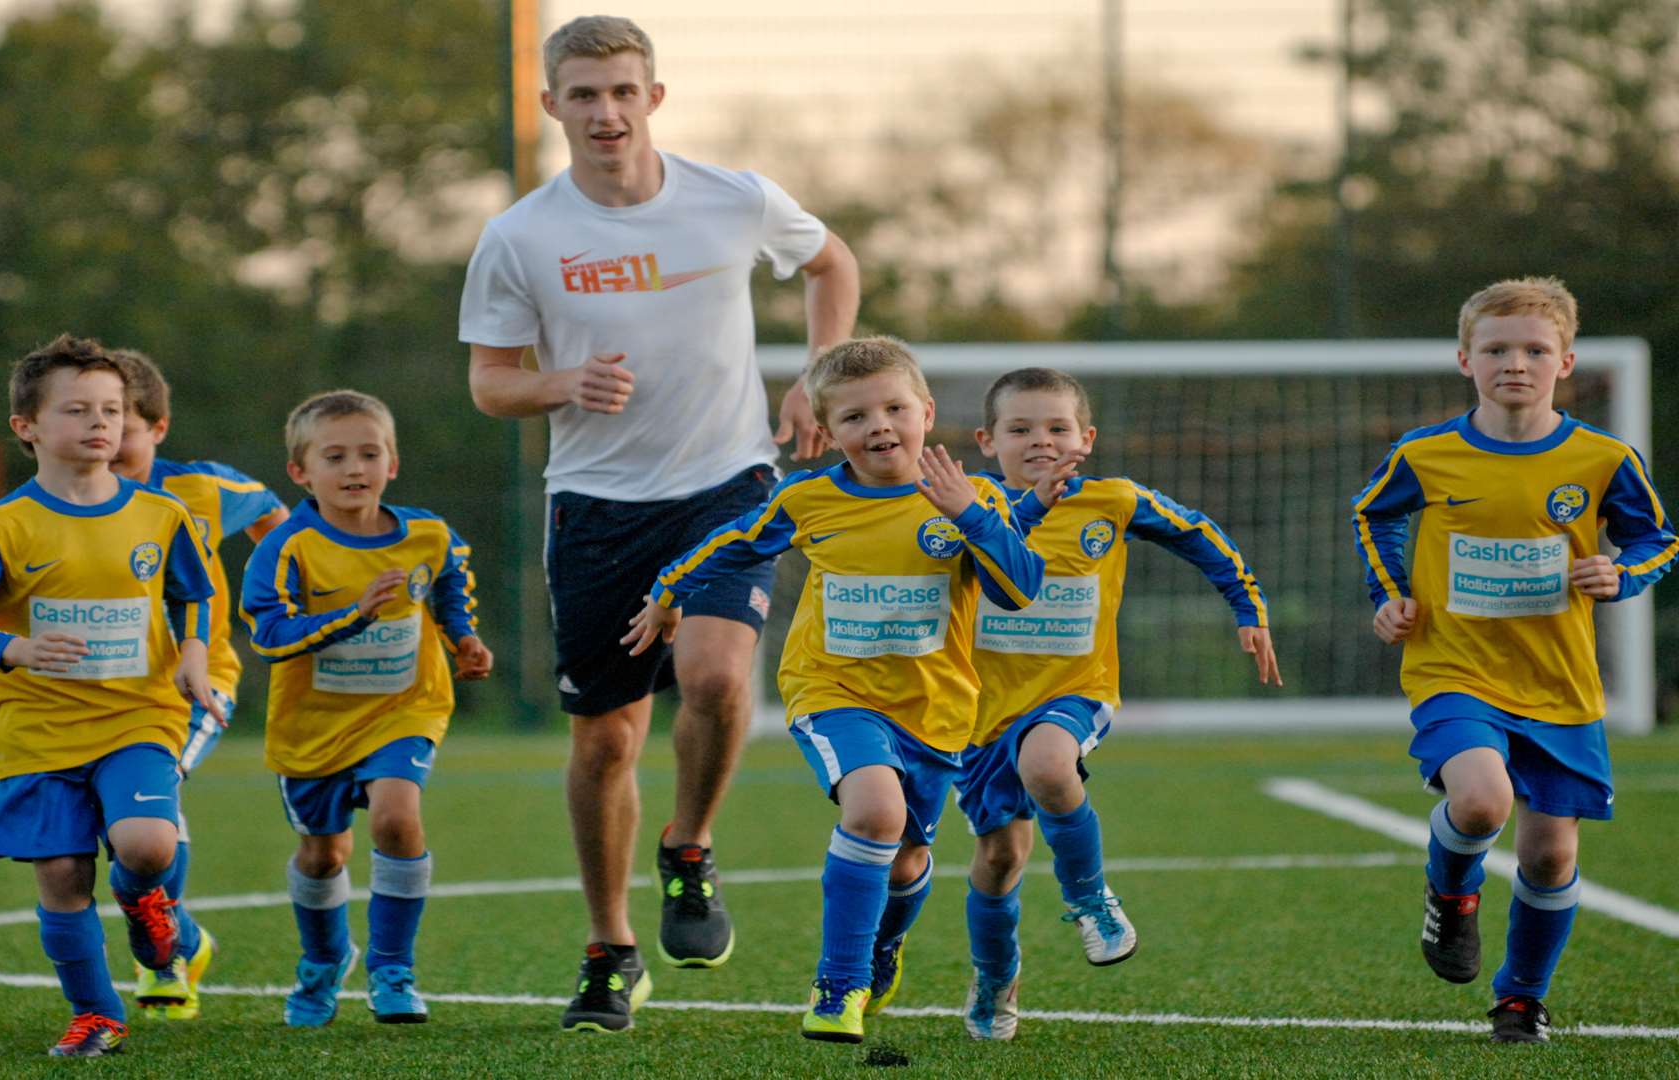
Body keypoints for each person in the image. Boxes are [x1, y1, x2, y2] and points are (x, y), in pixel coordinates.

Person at [458, 13, 860, 1031]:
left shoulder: (731, 200)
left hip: (729, 482)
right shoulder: (520, 238)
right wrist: (562, 382)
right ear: (551, 104)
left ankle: (689, 849)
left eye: (623, 90)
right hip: (595, 510)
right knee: (605, 745)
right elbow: (490, 385)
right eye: (584, 94)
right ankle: (610, 948)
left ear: (654, 98)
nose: (606, 112)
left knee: (721, 681)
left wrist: (817, 377)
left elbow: (832, 265)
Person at [624, 337, 1046, 1044]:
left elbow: (1019, 593)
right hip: (833, 690)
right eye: (854, 417)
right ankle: (838, 984)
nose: (877, 425)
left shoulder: (977, 498)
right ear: (828, 430)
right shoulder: (807, 500)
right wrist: (669, 593)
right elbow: (733, 542)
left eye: (893, 408)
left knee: (909, 858)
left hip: (935, 710)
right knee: (874, 812)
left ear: (925, 412)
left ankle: (883, 950)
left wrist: (968, 515)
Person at [1351, 277, 1677, 1043]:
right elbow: (1373, 516)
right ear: (1466, 358)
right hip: (1452, 670)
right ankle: (1452, 894)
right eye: (1497, 349)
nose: (1516, 363)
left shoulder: (1603, 458)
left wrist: (1620, 573)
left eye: (1536, 349)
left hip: (1559, 682)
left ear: (1566, 362)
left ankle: (1521, 998)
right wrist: (1392, 593)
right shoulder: (1426, 455)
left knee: (1550, 849)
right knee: (1481, 802)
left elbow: (1658, 539)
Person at [954, 367, 1280, 1040]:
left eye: (1056, 428)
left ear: (1086, 438)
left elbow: (1200, 535)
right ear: (987, 440)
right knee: (999, 859)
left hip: (1076, 692)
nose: (1039, 441)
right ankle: (995, 978)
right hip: (980, 715)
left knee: (1049, 765)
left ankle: (1089, 899)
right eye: (1020, 429)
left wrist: (1248, 605)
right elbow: (962, 553)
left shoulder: (1115, 500)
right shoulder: (969, 505)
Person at [0, 335, 224, 1057]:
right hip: (34, 728)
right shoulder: (3, 525)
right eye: (77, 410)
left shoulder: (160, 515)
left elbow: (193, 593)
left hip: (138, 716)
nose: (101, 424)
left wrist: (191, 655)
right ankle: (97, 1014)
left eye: (113, 410)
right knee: (63, 874)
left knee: (149, 845)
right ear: (26, 427)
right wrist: (17, 648)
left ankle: (154, 912)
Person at [241, 390, 492, 1028]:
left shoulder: (430, 535)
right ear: (300, 472)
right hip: (314, 728)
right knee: (323, 855)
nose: (355, 468)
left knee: (397, 817)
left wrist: (464, 639)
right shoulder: (285, 549)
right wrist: (353, 616)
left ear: (393, 463)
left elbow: (451, 594)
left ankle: (391, 969)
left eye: (369, 453)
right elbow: (269, 638)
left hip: (405, 708)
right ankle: (324, 962)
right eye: (335, 456)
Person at [108, 347, 289, 1020]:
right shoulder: (65, 502)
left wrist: (274, 594)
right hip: (104, 691)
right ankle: (183, 937)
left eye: (121, 422)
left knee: (155, 795)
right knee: (114, 826)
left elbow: (277, 514)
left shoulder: (203, 490)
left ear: (159, 427)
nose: (105, 438)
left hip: (197, 684)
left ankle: (163, 962)